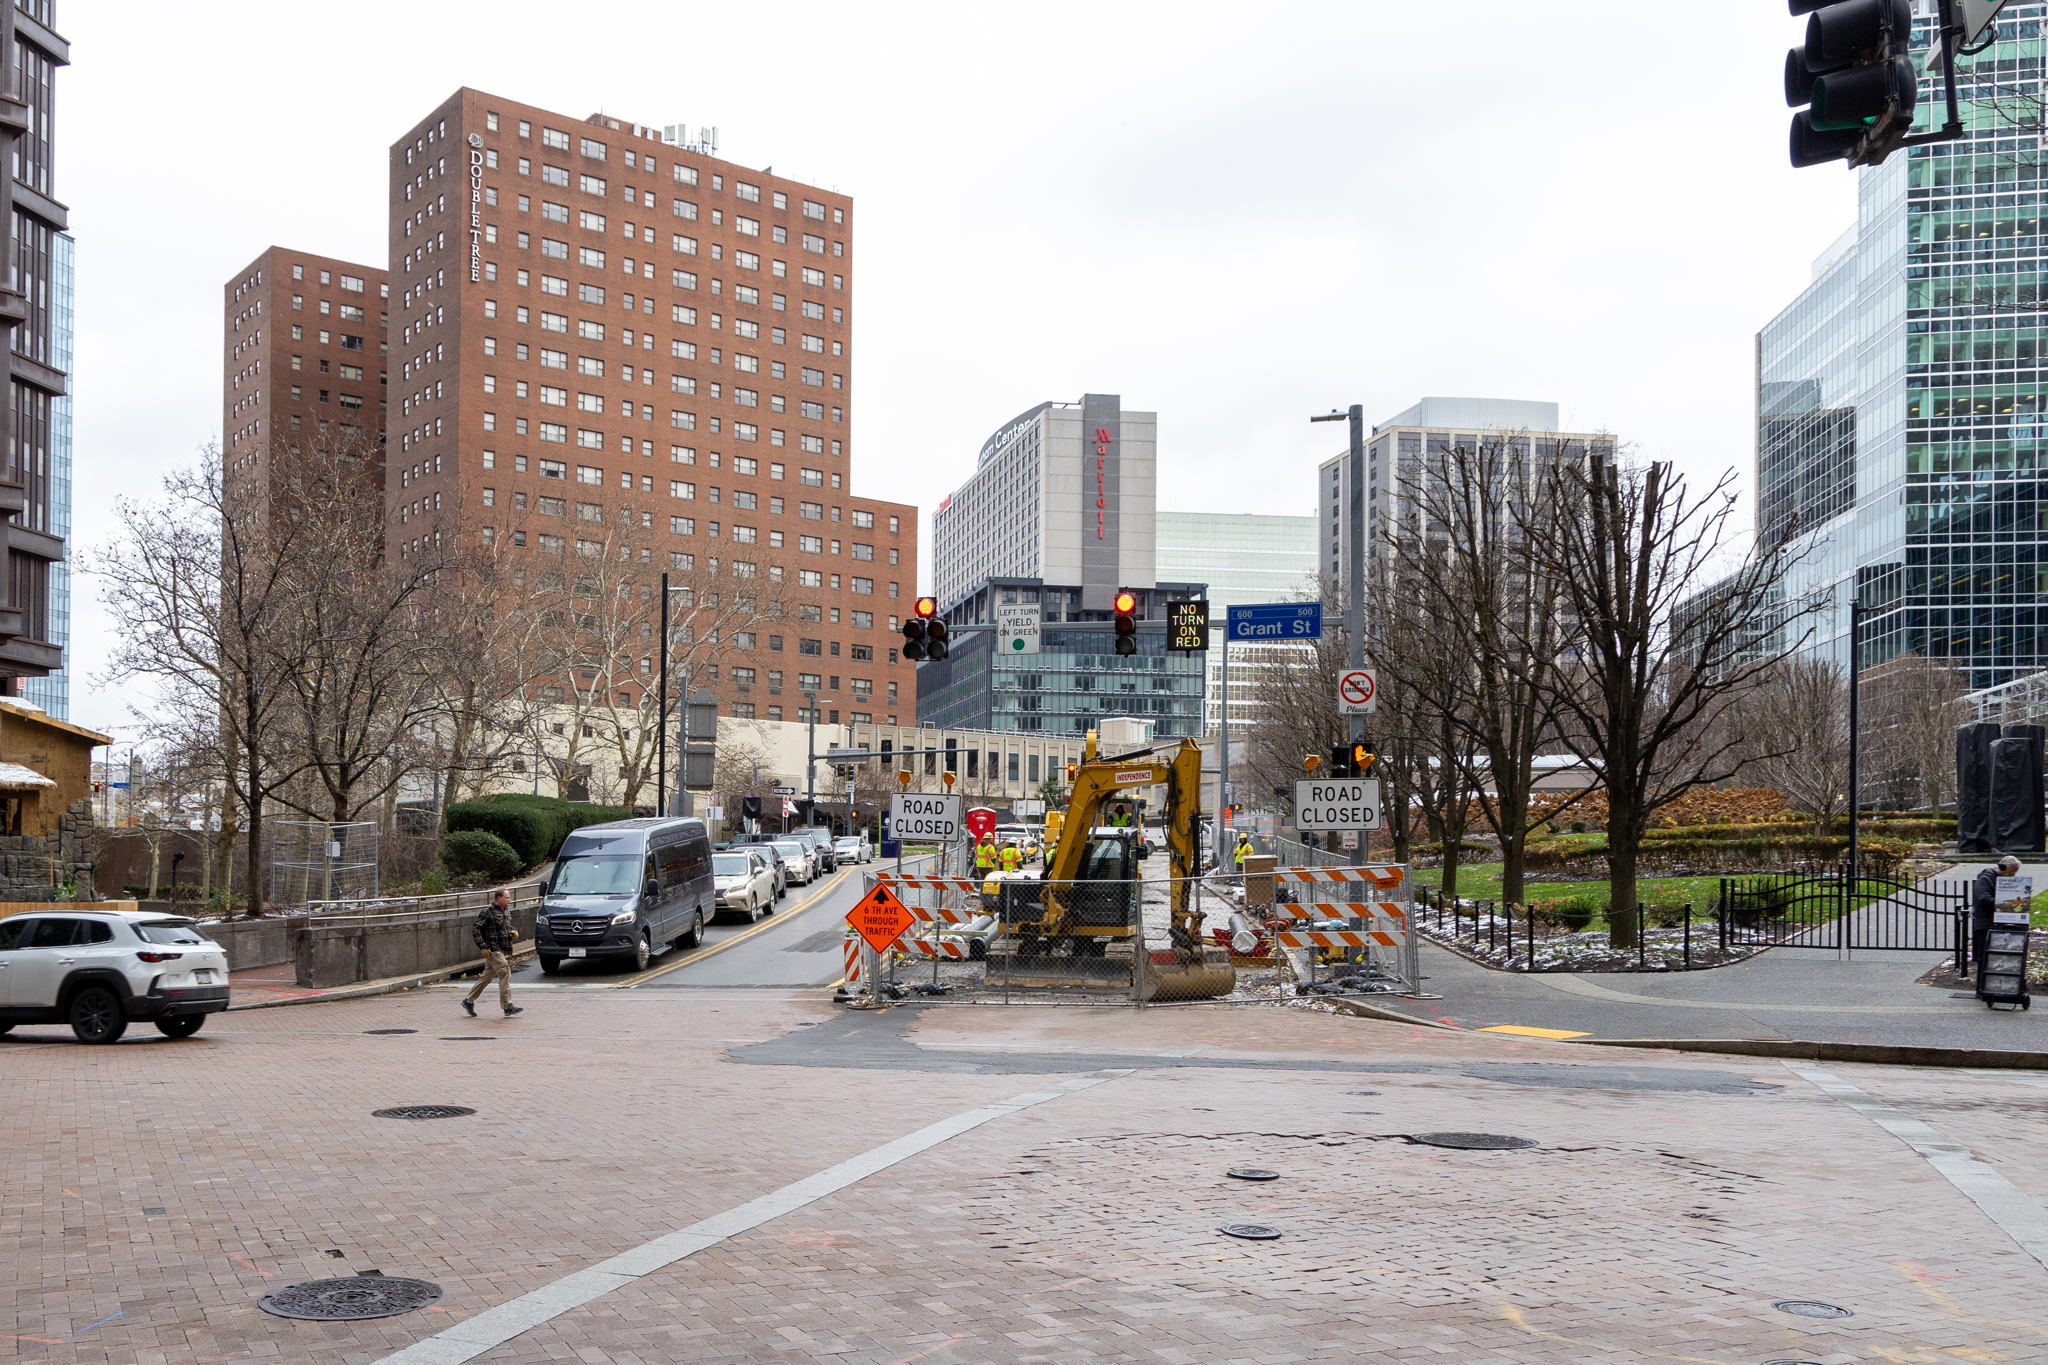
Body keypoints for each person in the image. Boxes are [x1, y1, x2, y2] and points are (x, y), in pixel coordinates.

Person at [464, 888, 524, 1018]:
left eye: (509, 898)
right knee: (505, 972)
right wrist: (482, 947)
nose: (510, 900)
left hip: (502, 948)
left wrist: (513, 932)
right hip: (493, 949)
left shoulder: (507, 912)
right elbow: (476, 929)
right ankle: (507, 1006)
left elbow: (505, 927)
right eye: (507, 898)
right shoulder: (487, 912)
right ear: (499, 898)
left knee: (486, 977)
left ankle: (468, 1001)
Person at [1972, 855, 2022, 980]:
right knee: (1984, 955)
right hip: (1985, 923)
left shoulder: (2001, 879)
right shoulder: (1985, 879)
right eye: (2011, 872)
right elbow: (1983, 898)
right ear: (2002, 868)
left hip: (1997, 921)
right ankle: (1982, 986)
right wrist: (2006, 903)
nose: (2013, 876)